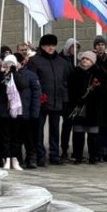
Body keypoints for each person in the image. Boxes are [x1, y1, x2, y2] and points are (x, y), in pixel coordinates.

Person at [26, 34, 72, 166]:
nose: (51, 48)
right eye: (47, 45)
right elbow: (32, 81)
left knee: (55, 129)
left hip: (57, 100)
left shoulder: (61, 61)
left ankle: (55, 155)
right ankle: (40, 156)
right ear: (42, 46)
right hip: (41, 101)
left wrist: (65, 99)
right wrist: (38, 96)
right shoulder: (34, 61)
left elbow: (64, 82)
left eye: (52, 45)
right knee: (39, 130)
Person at [69, 50, 107, 164]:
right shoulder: (75, 72)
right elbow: (71, 89)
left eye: (88, 59)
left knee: (93, 135)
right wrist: (76, 100)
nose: (85, 61)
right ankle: (78, 156)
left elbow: (103, 91)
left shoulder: (99, 73)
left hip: (93, 108)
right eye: (83, 58)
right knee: (78, 134)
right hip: (79, 106)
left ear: (92, 62)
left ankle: (93, 156)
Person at [0, 54, 38, 170]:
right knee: (6, 137)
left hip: (16, 110)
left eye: (11, 64)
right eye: (7, 64)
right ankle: (7, 158)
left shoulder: (18, 75)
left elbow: (22, 85)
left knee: (16, 137)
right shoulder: (2, 75)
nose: (9, 66)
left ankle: (15, 158)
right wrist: (4, 72)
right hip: (4, 110)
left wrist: (14, 72)